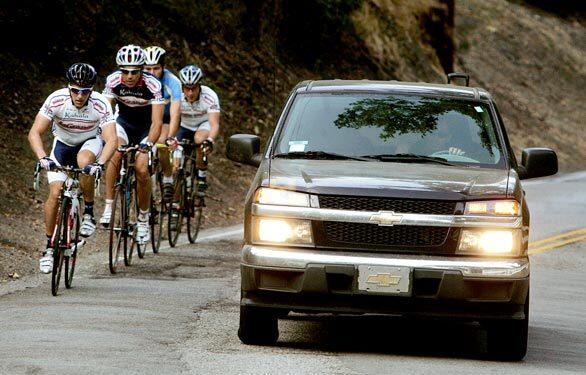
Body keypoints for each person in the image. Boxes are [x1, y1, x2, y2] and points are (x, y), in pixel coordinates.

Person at [28, 63, 117, 273]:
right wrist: (42, 157)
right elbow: (34, 133)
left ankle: (88, 212)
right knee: (55, 193)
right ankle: (49, 247)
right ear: (69, 88)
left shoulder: (101, 104)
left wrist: (100, 164)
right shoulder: (56, 99)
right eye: (75, 90)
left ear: (91, 91)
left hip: (89, 143)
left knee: (85, 161)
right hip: (62, 145)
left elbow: (111, 139)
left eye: (85, 91)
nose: (79, 95)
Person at [101, 45, 165, 244]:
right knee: (114, 153)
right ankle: (109, 205)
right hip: (124, 124)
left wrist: (147, 145)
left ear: (141, 70)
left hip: (147, 128)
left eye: (134, 72)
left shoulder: (152, 85)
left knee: (142, 169)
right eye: (125, 71)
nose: (129, 76)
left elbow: (157, 123)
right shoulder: (112, 81)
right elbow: (105, 115)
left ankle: (143, 219)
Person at [169, 65, 220, 193]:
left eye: (194, 88)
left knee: (199, 139)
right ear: (182, 87)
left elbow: (214, 124)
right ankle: (176, 200)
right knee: (175, 165)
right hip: (184, 126)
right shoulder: (176, 96)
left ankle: (201, 175)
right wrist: (170, 137)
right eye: (187, 88)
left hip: (203, 124)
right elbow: (174, 118)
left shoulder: (210, 96)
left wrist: (210, 140)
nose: (190, 93)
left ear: (199, 86)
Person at [142, 46, 182, 200]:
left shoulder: (172, 82)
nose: (152, 73)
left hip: (165, 117)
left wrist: (171, 137)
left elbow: (175, 113)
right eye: (148, 69)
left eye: (156, 68)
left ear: (163, 67)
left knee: (161, 142)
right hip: (145, 116)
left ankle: (167, 177)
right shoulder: (139, 80)